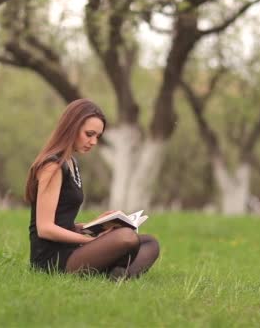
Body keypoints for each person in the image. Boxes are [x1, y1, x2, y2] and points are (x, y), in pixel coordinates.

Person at [25, 99, 160, 280]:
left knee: (150, 243)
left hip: (71, 247)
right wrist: (91, 240)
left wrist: (94, 226)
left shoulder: (71, 162)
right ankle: (117, 274)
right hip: (53, 259)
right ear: (72, 127)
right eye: (89, 134)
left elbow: (62, 222)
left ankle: (117, 275)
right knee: (126, 238)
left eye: (97, 136)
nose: (93, 141)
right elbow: (45, 228)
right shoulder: (53, 166)